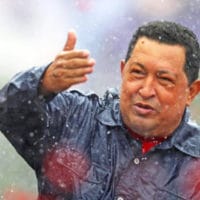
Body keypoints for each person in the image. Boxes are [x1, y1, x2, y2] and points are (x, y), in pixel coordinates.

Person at [0, 21, 200, 200]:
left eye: (164, 80)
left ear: (191, 92)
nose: (146, 90)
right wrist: (42, 82)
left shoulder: (195, 164)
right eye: (137, 73)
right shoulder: (75, 118)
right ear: (123, 71)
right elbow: (7, 111)